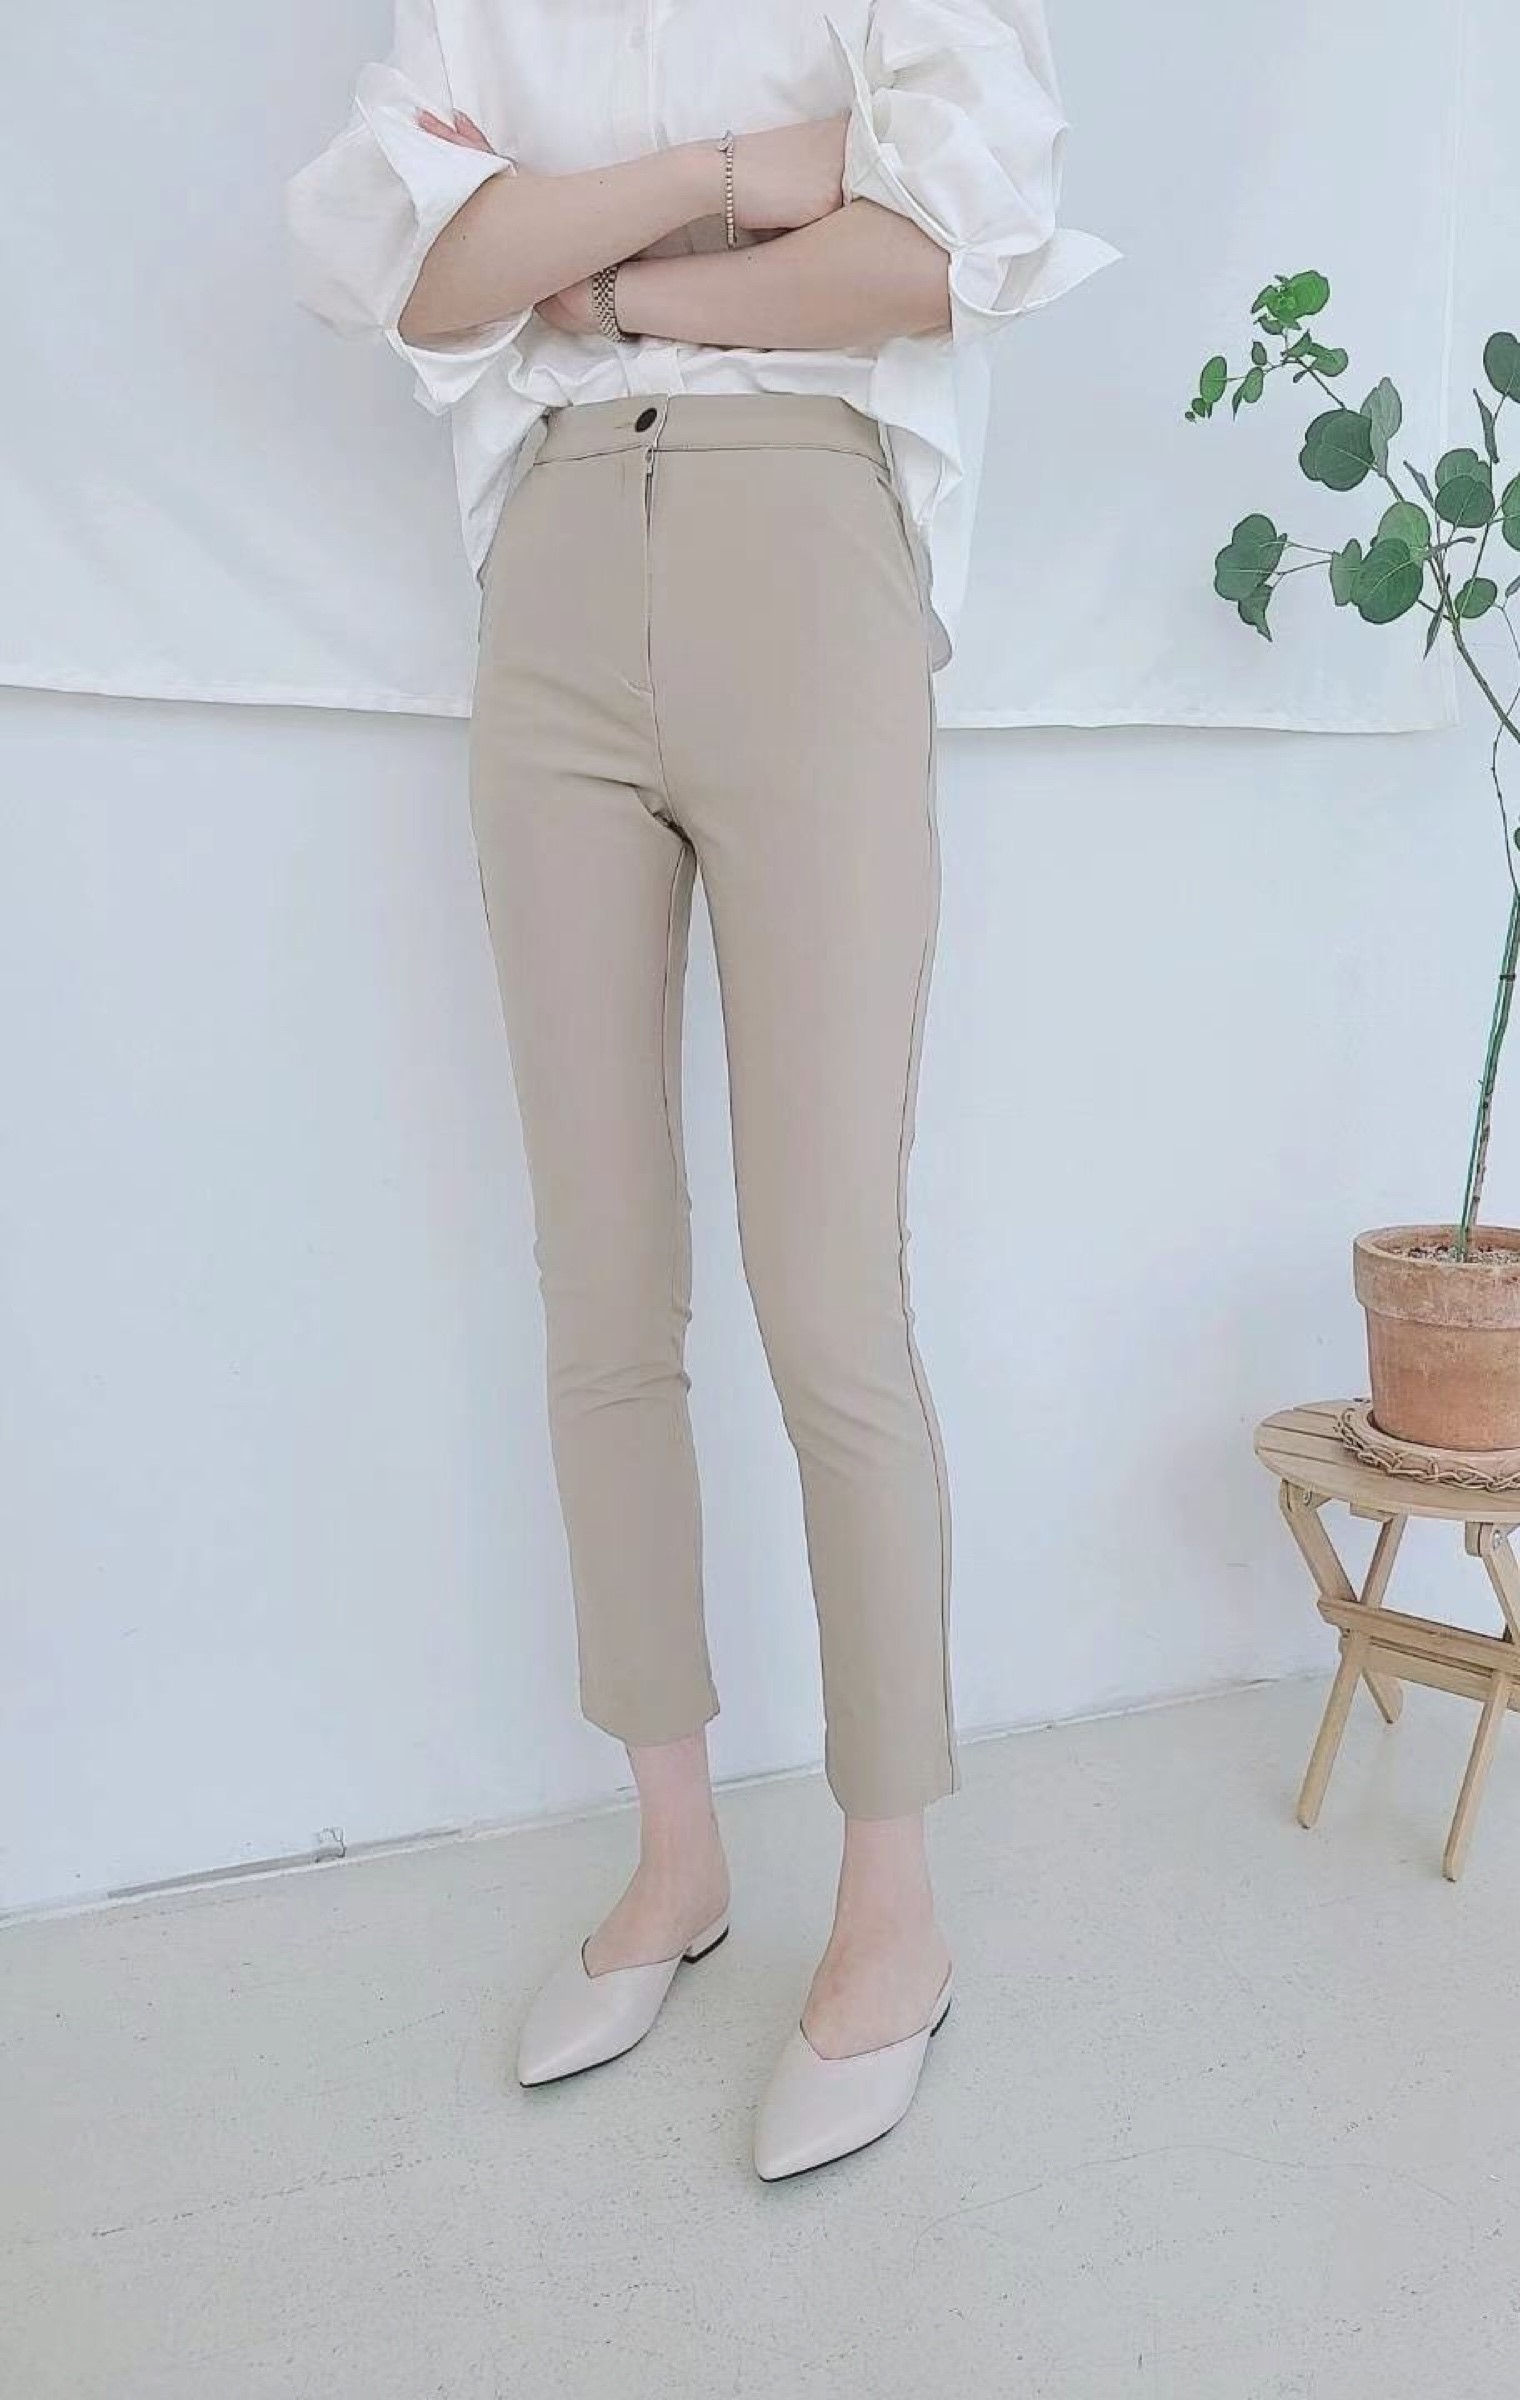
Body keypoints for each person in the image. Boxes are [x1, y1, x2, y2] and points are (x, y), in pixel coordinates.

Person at [286, 0, 1115, 2181]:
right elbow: (423, 273)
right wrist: (736, 180)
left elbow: (932, 254)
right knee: (600, 1285)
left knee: (829, 1294)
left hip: (807, 554)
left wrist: (594, 267)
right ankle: (673, 1856)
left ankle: (894, 1911)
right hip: (554, 581)